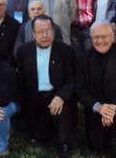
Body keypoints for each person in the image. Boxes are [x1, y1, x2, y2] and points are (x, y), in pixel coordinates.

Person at [76, 21, 116, 158]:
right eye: (96, 37)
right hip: (96, 106)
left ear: (112, 37)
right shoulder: (82, 59)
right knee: (97, 149)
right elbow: (81, 91)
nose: (100, 41)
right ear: (91, 38)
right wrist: (99, 107)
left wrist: (111, 108)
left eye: (104, 36)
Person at [16, 15, 76, 158]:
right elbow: (21, 81)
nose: (44, 35)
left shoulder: (66, 51)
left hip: (56, 93)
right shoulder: (23, 51)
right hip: (35, 96)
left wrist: (60, 96)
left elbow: (72, 79)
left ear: (54, 31)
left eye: (48, 31)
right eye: (40, 31)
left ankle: (64, 143)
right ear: (33, 33)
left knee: (62, 110)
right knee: (40, 137)